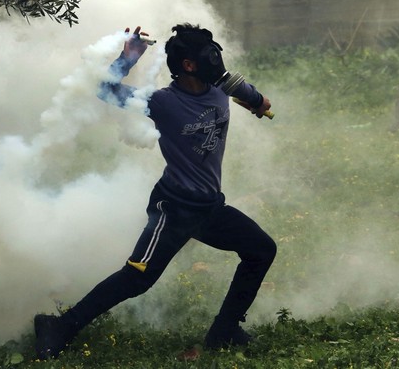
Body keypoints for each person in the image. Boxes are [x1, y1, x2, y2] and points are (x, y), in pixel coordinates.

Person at [34, 23, 277, 359]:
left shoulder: (220, 87)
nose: (216, 58)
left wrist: (258, 102)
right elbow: (106, 89)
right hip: (173, 208)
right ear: (190, 65)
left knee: (261, 250)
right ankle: (60, 326)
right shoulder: (162, 102)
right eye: (209, 53)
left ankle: (225, 329)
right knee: (137, 277)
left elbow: (245, 91)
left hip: (209, 208)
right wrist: (128, 57)